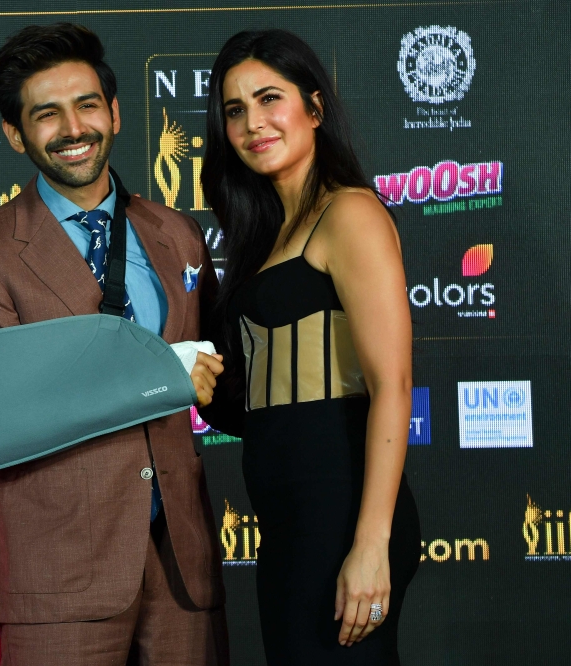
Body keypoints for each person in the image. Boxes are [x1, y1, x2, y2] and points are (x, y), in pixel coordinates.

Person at [0, 23, 228, 666]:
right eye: (47, 114)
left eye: (88, 104)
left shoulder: (175, 234)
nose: (74, 128)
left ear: (116, 112)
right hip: (60, 572)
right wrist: (166, 377)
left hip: (183, 565)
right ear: (16, 134)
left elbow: (218, 369)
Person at [199, 29, 422, 664]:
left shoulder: (349, 213)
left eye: (270, 99)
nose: (253, 123)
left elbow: (393, 385)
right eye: (234, 110)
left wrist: (371, 543)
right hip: (288, 523)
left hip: (344, 517)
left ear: (315, 109)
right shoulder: (266, 236)